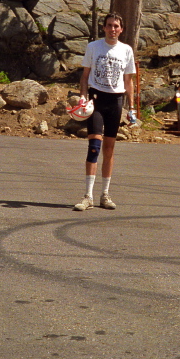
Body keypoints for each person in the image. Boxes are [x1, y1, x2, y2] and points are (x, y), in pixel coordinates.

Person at [74, 13, 136, 211]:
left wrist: (131, 107)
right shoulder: (94, 47)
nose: (112, 29)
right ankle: (88, 196)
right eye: (109, 25)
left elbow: (128, 81)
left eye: (116, 26)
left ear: (121, 29)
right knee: (94, 147)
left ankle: (105, 195)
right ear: (104, 28)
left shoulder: (126, 50)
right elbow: (85, 76)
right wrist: (82, 97)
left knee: (109, 149)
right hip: (96, 99)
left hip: (115, 101)